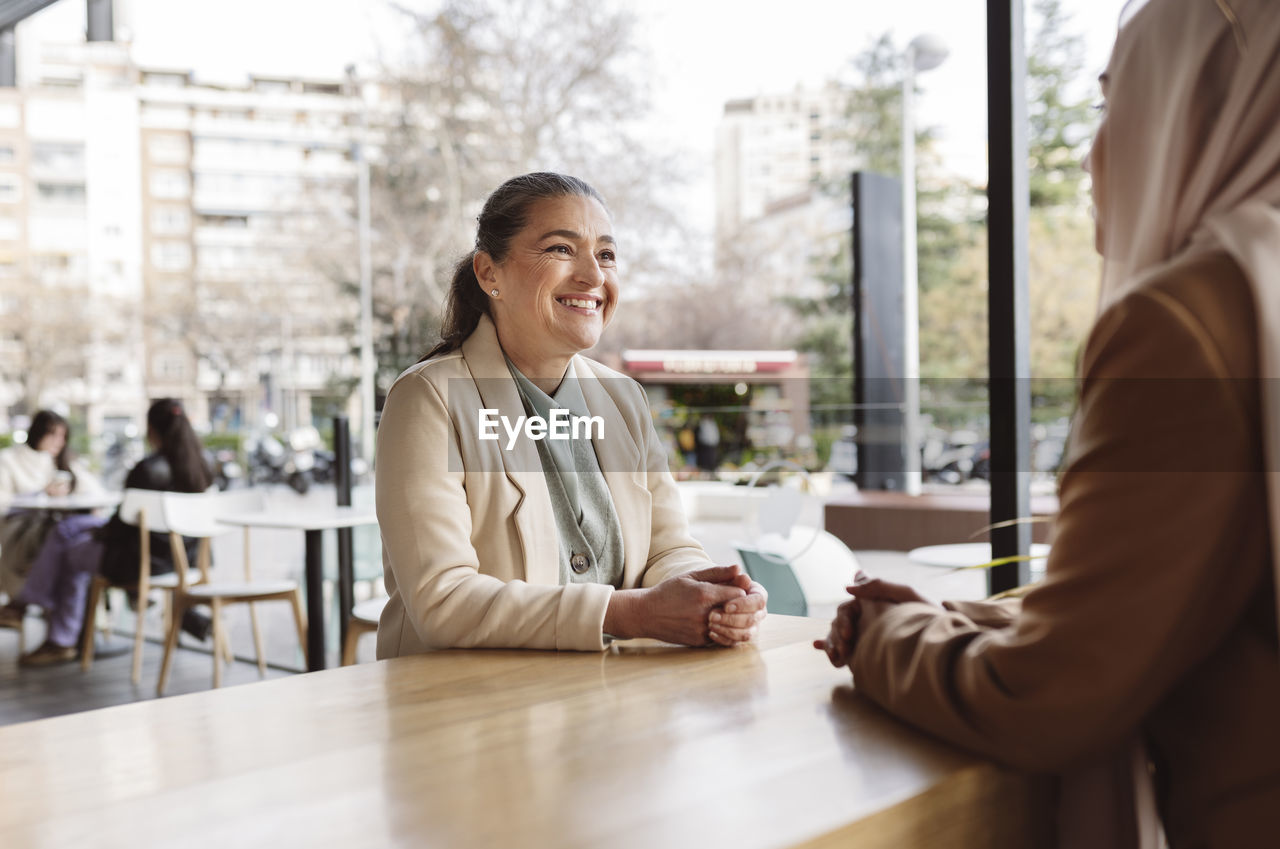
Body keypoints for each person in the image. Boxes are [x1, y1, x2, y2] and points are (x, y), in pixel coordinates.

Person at [815, 1, 1280, 846]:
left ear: (1190, 108)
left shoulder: (1190, 325)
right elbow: (1191, 607)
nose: (1093, 155)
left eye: (1112, 105)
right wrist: (964, 619)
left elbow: (1053, 695)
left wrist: (887, 636)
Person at [376, 172, 767, 655]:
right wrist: (635, 614)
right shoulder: (427, 398)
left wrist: (711, 596)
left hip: (605, 703)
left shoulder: (625, 399)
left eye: (606, 255)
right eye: (562, 249)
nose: (594, 276)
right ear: (488, 273)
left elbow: (670, 548)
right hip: (466, 712)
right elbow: (443, 600)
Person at [2, 399, 214, 666]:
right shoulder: (203, 466)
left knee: (68, 550)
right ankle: (55, 632)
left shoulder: (147, 469)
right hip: (184, 559)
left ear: (151, 429)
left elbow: (120, 530)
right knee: (66, 531)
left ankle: (54, 633)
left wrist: (97, 532)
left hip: (140, 560)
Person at [0, 410, 103, 601]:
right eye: (53, 435)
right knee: (65, 535)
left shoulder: (62, 463)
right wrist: (41, 494)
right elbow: (3, 503)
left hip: (54, 526)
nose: (59, 442)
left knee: (80, 533)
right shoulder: (9, 460)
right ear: (37, 432)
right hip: (19, 527)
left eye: (63, 436)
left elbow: (95, 490)